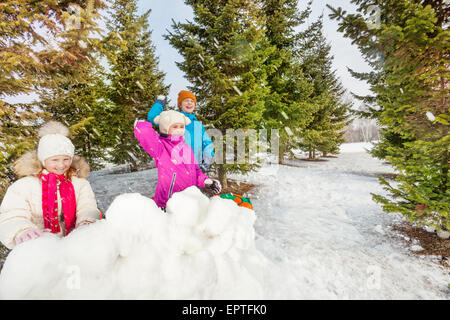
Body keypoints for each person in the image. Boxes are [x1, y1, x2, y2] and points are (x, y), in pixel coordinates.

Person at [0, 121, 102, 249]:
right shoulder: (24, 186)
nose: (61, 165)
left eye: (66, 159)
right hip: (37, 247)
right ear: (43, 160)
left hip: (74, 245)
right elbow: (12, 214)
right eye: (54, 160)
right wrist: (22, 230)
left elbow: (88, 208)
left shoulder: (80, 184)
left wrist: (86, 222)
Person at [135, 110, 221, 209]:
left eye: (182, 126)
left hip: (188, 200)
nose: (179, 130)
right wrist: (140, 124)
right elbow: (145, 134)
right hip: (168, 203)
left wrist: (207, 182)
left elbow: (196, 171)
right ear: (165, 129)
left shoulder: (187, 148)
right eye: (175, 127)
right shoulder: (161, 147)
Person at [147, 90, 214, 171]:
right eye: (186, 101)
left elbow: (207, 144)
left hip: (196, 168)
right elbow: (153, 117)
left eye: (192, 101)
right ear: (180, 105)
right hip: (176, 167)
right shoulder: (174, 118)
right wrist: (159, 104)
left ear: (195, 105)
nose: (189, 103)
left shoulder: (198, 125)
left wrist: (206, 159)